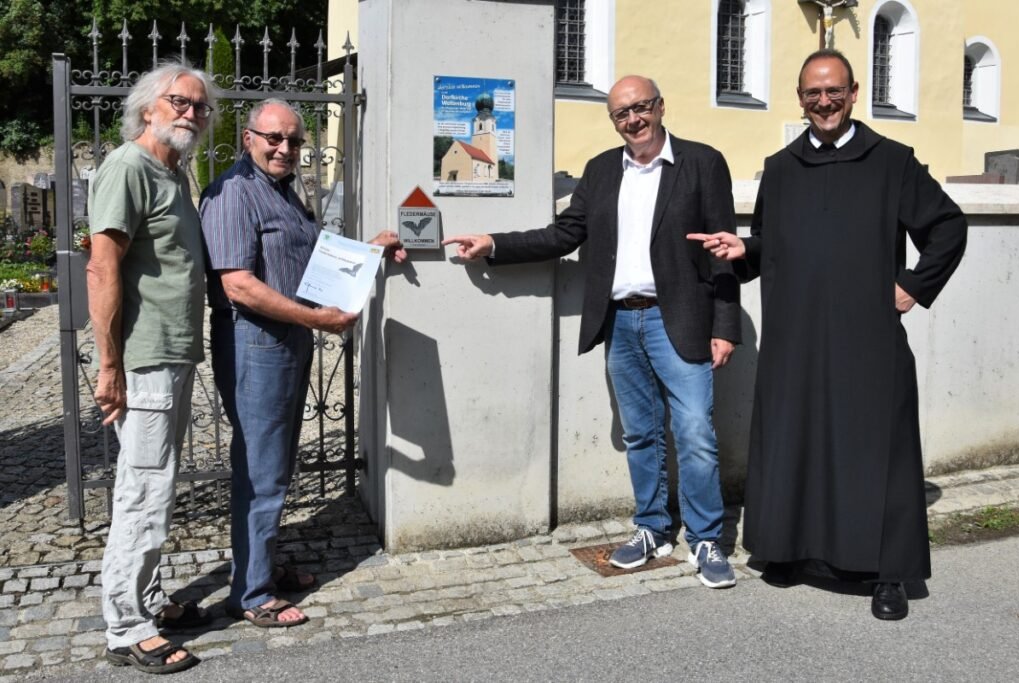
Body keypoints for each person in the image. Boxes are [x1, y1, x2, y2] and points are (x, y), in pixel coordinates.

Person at [689, 49, 968, 620]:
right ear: (800, 99)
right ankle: (790, 550)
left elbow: (947, 226)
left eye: (833, 91)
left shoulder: (892, 162)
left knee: (877, 450)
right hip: (797, 334)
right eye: (812, 93)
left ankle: (888, 574)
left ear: (853, 91)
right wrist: (746, 249)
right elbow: (770, 242)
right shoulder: (782, 166)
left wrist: (912, 285)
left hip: (868, 337)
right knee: (798, 438)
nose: (823, 102)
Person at [443, 75, 740, 588]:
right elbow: (566, 233)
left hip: (683, 320)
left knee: (695, 433)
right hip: (621, 321)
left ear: (661, 106)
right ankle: (652, 529)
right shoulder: (602, 170)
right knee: (641, 434)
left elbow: (723, 248)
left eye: (641, 107)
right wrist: (495, 243)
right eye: (622, 113)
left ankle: (707, 538)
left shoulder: (703, 162)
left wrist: (726, 326)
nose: (633, 120)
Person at [199, 98, 406, 628]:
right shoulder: (232, 194)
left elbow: (312, 263)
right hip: (254, 342)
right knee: (261, 468)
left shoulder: (284, 193)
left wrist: (372, 249)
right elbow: (237, 285)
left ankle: (258, 565)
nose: (285, 148)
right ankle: (250, 595)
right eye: (274, 138)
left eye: (293, 141)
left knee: (277, 463)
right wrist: (316, 320)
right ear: (249, 137)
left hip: (285, 338)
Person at [87, 61, 218, 674]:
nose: (191, 113)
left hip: (173, 350)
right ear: (148, 109)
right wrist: (108, 364)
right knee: (143, 488)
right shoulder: (128, 167)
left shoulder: (174, 174)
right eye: (179, 102)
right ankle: (126, 625)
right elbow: (102, 268)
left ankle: (148, 598)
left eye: (199, 106)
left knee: (156, 482)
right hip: (142, 358)